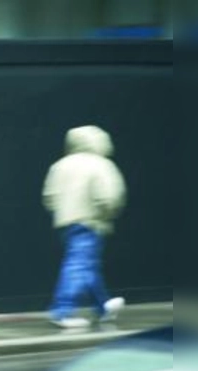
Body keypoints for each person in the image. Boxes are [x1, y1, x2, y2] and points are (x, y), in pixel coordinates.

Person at [42, 126, 127, 328]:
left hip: (66, 223)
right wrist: (105, 216)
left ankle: (103, 307)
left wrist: (63, 211)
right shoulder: (100, 164)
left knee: (86, 264)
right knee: (79, 265)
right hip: (90, 222)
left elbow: (49, 198)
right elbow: (109, 197)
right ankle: (61, 311)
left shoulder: (59, 166)